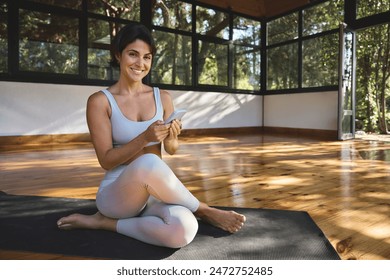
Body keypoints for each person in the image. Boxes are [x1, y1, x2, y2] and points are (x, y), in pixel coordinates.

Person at [57, 23, 246, 248]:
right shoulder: (99, 101)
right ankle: (204, 210)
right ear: (118, 55)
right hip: (117, 195)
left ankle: (102, 223)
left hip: (153, 194)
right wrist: (144, 139)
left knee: (183, 230)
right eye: (133, 54)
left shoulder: (162, 97)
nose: (141, 63)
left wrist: (172, 136)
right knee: (148, 160)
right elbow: (106, 161)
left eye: (147, 57)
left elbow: (171, 149)